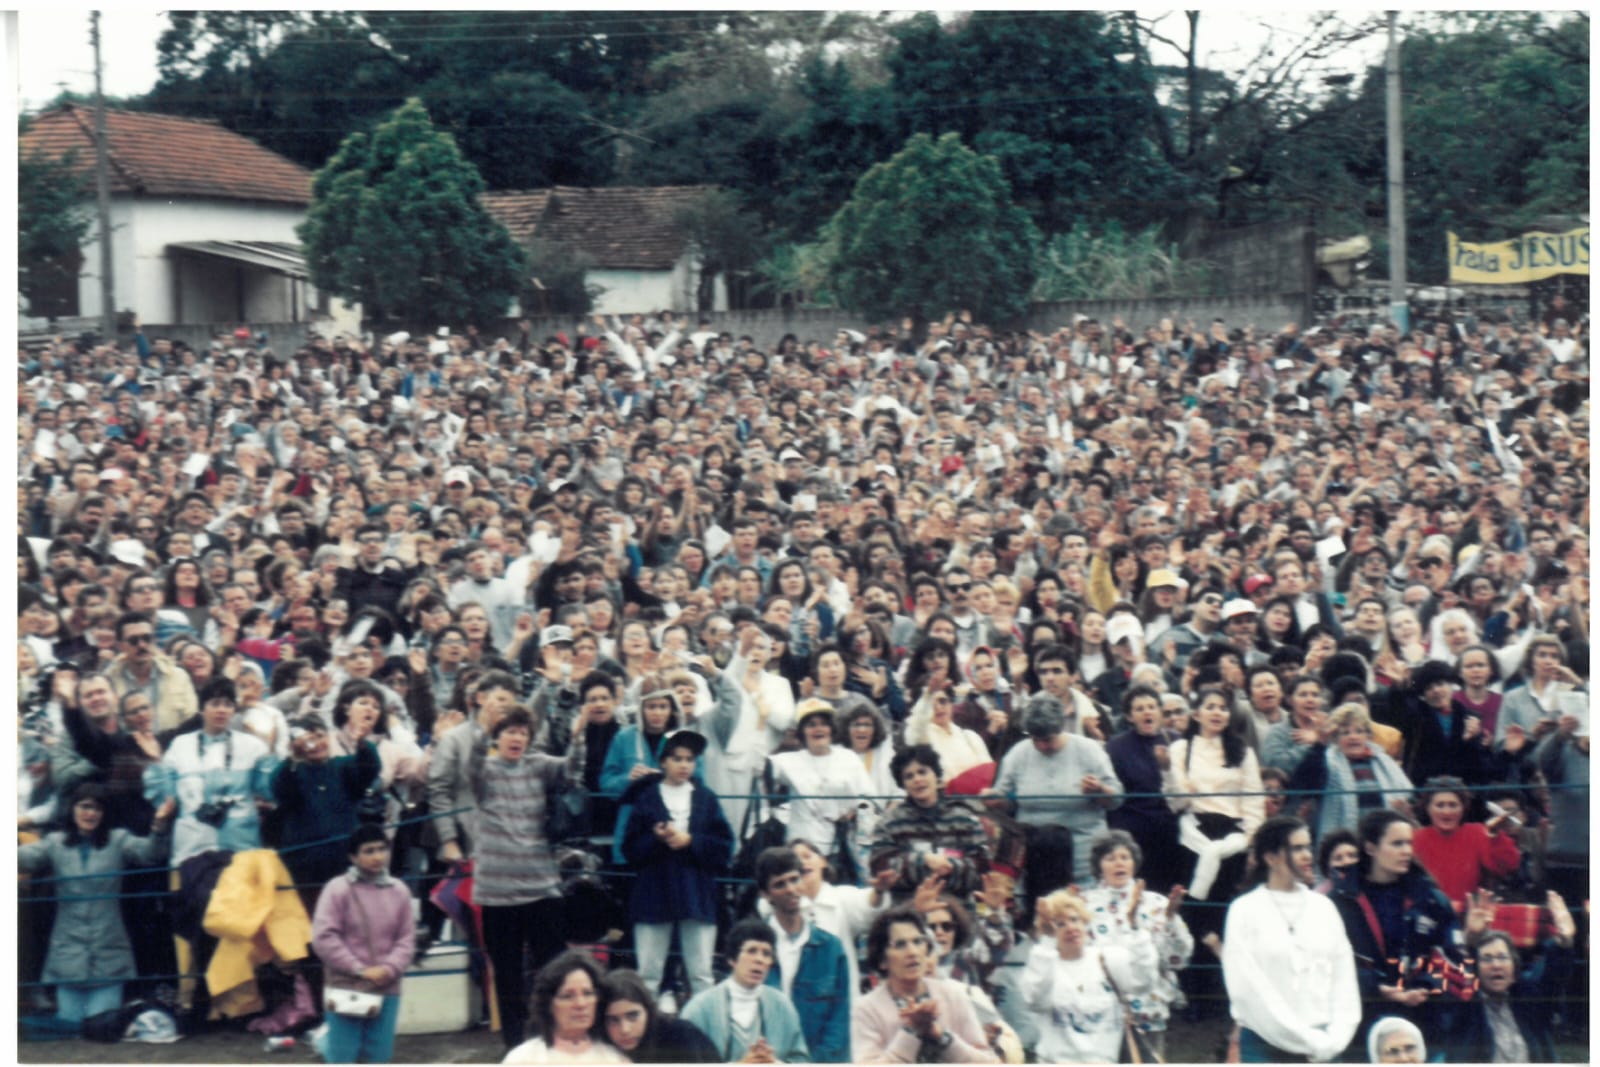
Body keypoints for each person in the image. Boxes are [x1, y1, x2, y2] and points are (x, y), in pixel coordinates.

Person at [470, 703, 598, 1051]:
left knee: (554, 974)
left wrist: (577, 737)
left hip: (542, 888)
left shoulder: (540, 765)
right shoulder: (486, 770)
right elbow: (471, 763)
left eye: (522, 732)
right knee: (508, 980)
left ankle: (555, 1044)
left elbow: (572, 772)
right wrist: (482, 728)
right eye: (510, 731)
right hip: (496, 894)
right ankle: (514, 1050)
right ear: (498, 736)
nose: (517, 738)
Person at [18, 784, 175, 1027]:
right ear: (73, 809)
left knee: (100, 1026)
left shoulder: (118, 840)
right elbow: (22, 859)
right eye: (85, 806)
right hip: (67, 954)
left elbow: (151, 854)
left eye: (98, 808)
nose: (91, 814)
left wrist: (160, 825)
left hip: (108, 955)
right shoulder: (54, 842)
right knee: (71, 1027)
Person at [1221, 815, 1361, 1063]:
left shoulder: (1324, 907)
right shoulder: (1244, 910)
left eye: (1308, 847)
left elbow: (1344, 978)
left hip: (1326, 1045)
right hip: (1266, 1045)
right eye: (1297, 848)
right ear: (1271, 857)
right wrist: (1306, 1039)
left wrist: (1336, 1038)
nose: (1308, 855)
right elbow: (1248, 990)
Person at [1327, 809, 1463, 1052]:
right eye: (1397, 843)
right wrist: (1376, 988)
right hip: (1361, 1024)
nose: (1407, 851)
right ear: (1370, 847)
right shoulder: (1338, 900)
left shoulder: (1431, 897)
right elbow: (1326, 964)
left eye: (1409, 843)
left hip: (1423, 1022)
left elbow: (1454, 956)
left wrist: (1425, 984)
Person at [620, 729, 733, 1007]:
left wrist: (691, 841)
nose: (684, 765)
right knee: (648, 972)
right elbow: (630, 849)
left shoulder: (706, 799)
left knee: (701, 973)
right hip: (654, 893)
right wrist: (657, 840)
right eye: (676, 758)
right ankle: (647, 1035)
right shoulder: (646, 798)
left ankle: (707, 1031)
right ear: (662, 762)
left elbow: (724, 847)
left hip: (696, 893)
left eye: (689, 759)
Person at [986, 693, 1122, 907]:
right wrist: (995, 800)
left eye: (1048, 739)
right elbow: (1006, 799)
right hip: (1035, 857)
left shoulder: (1089, 750)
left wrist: (1099, 790)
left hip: (1083, 858)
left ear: (1061, 728)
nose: (1041, 746)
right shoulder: (1018, 754)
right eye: (1035, 739)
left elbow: (1117, 799)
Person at [1080, 830, 1193, 1058]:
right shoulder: (1084, 905)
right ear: (1098, 865)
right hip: (1099, 1012)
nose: (1119, 864)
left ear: (1134, 862)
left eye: (1125, 857)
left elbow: (1179, 960)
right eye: (1110, 858)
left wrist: (1170, 920)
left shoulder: (1156, 903)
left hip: (1147, 1011)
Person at [310, 824, 417, 1065]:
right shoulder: (337, 889)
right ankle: (324, 1042)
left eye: (382, 849)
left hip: (386, 985)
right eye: (368, 851)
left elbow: (406, 939)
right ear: (353, 857)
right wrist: (359, 968)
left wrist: (388, 969)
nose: (377, 856)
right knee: (343, 1054)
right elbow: (324, 937)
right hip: (346, 984)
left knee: (378, 1055)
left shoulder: (399, 891)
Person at [1434, 890, 1578, 1063]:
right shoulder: (1465, 1006)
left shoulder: (1529, 999)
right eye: (1487, 959)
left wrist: (1564, 942)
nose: (1496, 965)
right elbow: (1454, 976)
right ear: (1476, 968)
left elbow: (1553, 976)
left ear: (1514, 968)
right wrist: (1469, 940)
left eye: (1502, 957)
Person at [1021, 888, 1158, 1064]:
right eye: (1060, 924)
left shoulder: (1108, 959)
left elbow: (1143, 982)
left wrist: (1135, 927)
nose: (1070, 928)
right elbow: (1034, 1000)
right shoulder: (1043, 964)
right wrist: (1047, 940)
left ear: (1085, 922)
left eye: (1074, 919)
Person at [852, 907, 998, 1064]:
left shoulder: (953, 994)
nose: (912, 952)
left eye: (918, 941)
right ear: (882, 960)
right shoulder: (866, 1009)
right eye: (900, 945)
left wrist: (942, 1036)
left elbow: (989, 1062)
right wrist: (911, 1031)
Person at [272, 713, 381, 912]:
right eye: (308, 739)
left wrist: (363, 743)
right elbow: (281, 790)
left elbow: (369, 769)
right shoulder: (290, 770)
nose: (316, 743)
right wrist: (293, 760)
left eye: (320, 736)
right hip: (304, 868)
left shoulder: (342, 766)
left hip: (344, 862)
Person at [755, 847, 852, 1063]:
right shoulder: (754, 947)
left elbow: (840, 1018)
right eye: (780, 884)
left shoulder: (831, 947)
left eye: (794, 879)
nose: (791, 889)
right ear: (765, 893)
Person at [869, 744, 991, 903]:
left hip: (957, 909)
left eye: (922, 772)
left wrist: (950, 868)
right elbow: (880, 867)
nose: (917, 780)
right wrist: (923, 861)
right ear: (902, 784)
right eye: (909, 776)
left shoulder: (965, 817)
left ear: (936, 774)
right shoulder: (890, 822)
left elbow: (982, 868)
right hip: (909, 909)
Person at [678, 919, 810, 1064]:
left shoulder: (782, 1006)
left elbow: (801, 1059)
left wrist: (774, 1063)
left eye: (766, 954)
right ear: (732, 959)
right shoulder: (699, 1009)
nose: (759, 959)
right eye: (751, 951)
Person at [767, 699, 873, 865]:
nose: (818, 729)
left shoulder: (848, 758)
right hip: (799, 850)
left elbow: (868, 799)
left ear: (831, 728)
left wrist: (853, 812)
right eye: (811, 724)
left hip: (839, 848)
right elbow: (758, 766)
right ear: (802, 732)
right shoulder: (787, 761)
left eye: (824, 723)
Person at [1409, 775, 1520, 905]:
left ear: (1463, 808)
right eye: (1440, 805)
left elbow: (1509, 866)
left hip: (1470, 913)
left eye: (1453, 805)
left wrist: (1496, 837)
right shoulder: (1416, 838)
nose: (1446, 812)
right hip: (1428, 912)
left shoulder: (1477, 833)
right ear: (1428, 808)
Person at [503, 950, 628, 1065]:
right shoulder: (522, 1059)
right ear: (548, 1004)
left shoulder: (614, 1058)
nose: (580, 1004)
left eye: (588, 993)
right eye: (567, 996)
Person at [599, 969, 720, 1063]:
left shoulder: (681, 1036)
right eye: (613, 1020)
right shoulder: (597, 1046)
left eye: (633, 1016)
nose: (625, 1029)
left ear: (649, 1010)